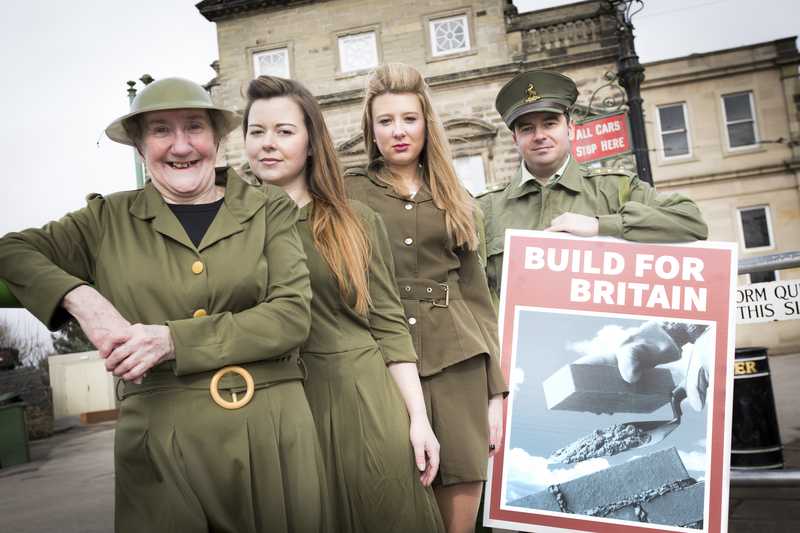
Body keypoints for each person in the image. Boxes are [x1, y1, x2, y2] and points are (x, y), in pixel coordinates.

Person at [0, 77, 329, 533]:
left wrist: (172, 340)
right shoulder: (105, 220)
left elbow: (291, 315)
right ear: (139, 147)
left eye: (194, 127)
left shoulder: (267, 208)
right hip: (158, 437)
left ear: (215, 139)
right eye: (160, 131)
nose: (180, 145)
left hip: (271, 433)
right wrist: (82, 299)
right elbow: (11, 250)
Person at [242, 75, 445, 533]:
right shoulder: (228, 229)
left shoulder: (356, 222)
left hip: (359, 400)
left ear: (312, 143)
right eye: (257, 131)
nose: (268, 144)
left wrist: (418, 419)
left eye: (284, 131)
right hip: (270, 408)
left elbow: (389, 325)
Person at [345, 63, 508, 533]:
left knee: (460, 508)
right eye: (386, 121)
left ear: (426, 125)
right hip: (381, 363)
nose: (398, 131)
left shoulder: (456, 196)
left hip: (460, 364)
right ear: (370, 130)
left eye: (409, 119)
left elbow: (478, 297)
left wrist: (495, 393)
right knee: (395, 502)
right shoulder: (348, 193)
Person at [479, 70, 709, 297]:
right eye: (527, 128)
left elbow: (691, 221)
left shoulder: (615, 188)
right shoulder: (486, 208)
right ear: (515, 139)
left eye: (549, 124)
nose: (539, 135)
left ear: (570, 129)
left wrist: (602, 226)